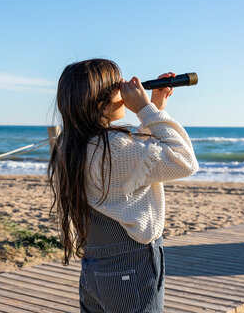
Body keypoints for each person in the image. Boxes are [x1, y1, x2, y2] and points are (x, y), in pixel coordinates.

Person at [47, 58, 199, 312]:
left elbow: (132, 162)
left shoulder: (70, 145)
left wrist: (156, 104)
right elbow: (184, 161)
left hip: (95, 267)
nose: (126, 87)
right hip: (131, 266)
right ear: (100, 103)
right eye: (118, 85)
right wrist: (147, 110)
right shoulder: (115, 147)